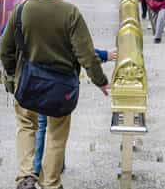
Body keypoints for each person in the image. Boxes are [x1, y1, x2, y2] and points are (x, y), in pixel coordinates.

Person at [0, 0, 110, 189]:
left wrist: (12, 75)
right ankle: (50, 186)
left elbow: (5, 50)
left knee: (26, 126)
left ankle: (25, 175)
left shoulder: (20, 10)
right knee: (56, 134)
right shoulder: (70, 13)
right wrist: (101, 82)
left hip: (27, 83)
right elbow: (86, 54)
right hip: (60, 88)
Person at [33, 48, 115, 177]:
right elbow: (80, 48)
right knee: (57, 129)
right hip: (60, 82)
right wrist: (103, 61)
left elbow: (7, 48)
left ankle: (35, 169)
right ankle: (54, 170)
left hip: (35, 78)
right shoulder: (65, 26)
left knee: (40, 124)